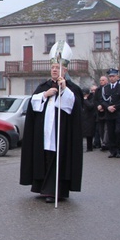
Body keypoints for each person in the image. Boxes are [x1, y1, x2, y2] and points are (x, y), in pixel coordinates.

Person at [19, 56, 83, 203]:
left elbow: (75, 107)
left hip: (61, 133)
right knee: (44, 157)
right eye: (53, 67)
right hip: (44, 131)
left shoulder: (71, 88)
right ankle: (42, 188)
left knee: (58, 159)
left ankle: (55, 191)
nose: (54, 70)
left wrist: (64, 90)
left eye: (57, 67)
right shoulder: (43, 86)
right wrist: (44, 95)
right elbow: (32, 104)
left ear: (65, 70)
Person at [97, 68, 120, 158]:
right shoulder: (105, 88)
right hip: (109, 113)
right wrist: (107, 107)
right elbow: (102, 100)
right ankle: (112, 150)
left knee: (119, 132)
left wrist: (115, 107)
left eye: (113, 76)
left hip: (119, 113)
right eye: (110, 76)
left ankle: (119, 150)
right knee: (111, 132)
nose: (111, 78)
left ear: (117, 77)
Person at [82, 85, 98, 152]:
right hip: (83, 117)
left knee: (89, 134)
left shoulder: (92, 98)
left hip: (90, 117)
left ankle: (90, 147)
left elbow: (90, 106)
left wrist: (85, 100)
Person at [94, 75, 108, 151]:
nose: (101, 81)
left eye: (103, 80)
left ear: (106, 81)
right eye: (100, 80)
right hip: (99, 112)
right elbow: (95, 100)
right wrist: (98, 106)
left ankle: (105, 143)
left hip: (107, 111)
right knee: (101, 129)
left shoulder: (108, 88)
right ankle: (103, 141)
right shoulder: (98, 90)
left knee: (106, 128)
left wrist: (103, 106)